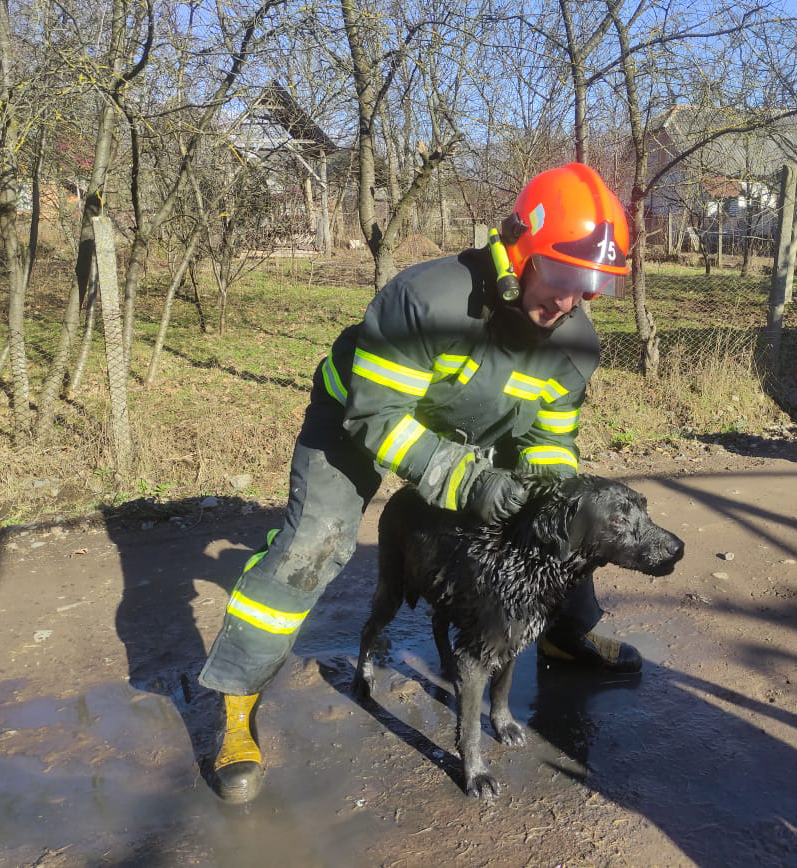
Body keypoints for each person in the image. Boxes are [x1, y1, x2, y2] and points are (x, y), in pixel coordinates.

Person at [199, 163, 642, 804]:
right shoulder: (427, 302)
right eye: (564, 277)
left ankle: (564, 631)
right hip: (358, 416)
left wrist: (557, 503)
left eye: (591, 286)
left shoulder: (572, 343)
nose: (572, 301)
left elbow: (548, 444)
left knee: (558, 515)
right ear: (519, 252)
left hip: (473, 425)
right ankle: (238, 699)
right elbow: (378, 419)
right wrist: (466, 479)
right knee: (314, 544)